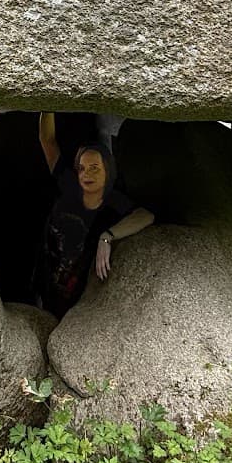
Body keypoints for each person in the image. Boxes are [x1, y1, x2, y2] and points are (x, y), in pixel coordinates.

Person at [32, 113, 154, 319]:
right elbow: (47, 140)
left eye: (95, 168)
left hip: (76, 297)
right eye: (82, 168)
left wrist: (107, 236)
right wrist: (47, 106)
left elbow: (146, 216)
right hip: (44, 281)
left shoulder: (114, 202)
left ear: (108, 171)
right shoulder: (69, 184)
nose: (86, 174)